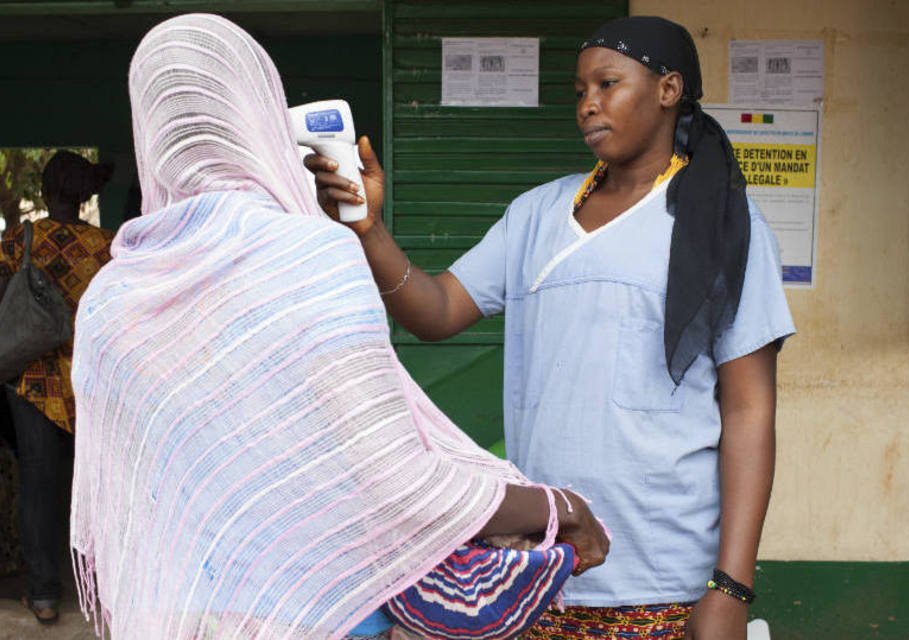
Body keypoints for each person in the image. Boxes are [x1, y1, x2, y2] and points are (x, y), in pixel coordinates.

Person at [68, 14, 608, 640]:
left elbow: (113, 520)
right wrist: (561, 508)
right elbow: (403, 485)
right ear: (260, 111)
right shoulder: (312, 258)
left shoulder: (110, 295)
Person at [307, 15, 795, 640]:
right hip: (542, 566)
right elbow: (436, 310)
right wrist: (368, 229)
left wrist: (731, 585)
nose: (588, 104)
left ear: (669, 89)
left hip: (663, 576)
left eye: (608, 84)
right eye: (579, 90)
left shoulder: (725, 225)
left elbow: (751, 412)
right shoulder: (535, 214)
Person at [0, 150, 113, 625]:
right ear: (85, 194)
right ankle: (102, 586)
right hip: (90, 382)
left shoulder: (17, 239)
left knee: (39, 484)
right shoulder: (108, 248)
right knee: (98, 487)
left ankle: (45, 592)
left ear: (45, 191)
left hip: (33, 381)